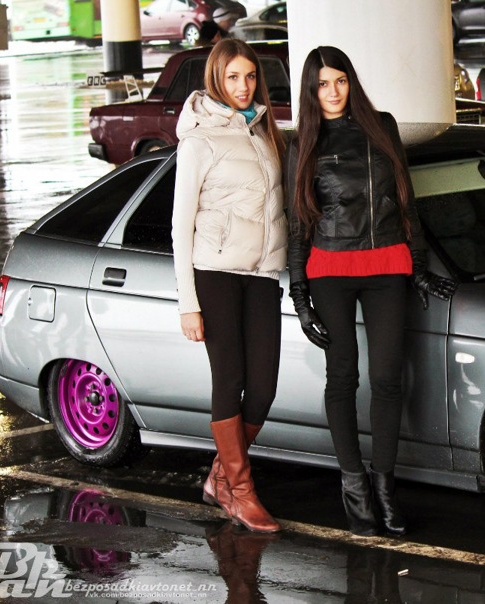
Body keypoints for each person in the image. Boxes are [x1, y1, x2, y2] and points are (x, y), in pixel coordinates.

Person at [285, 46, 456, 537]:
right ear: (311, 90)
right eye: (323, 84)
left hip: (387, 265)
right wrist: (300, 297)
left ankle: (385, 489)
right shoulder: (303, 143)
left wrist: (417, 267)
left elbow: (406, 199)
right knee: (342, 376)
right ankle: (354, 486)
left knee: (387, 379)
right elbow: (298, 222)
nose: (333, 91)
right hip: (330, 269)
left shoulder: (382, 126)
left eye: (340, 81)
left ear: (351, 82)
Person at [171, 38, 287, 533]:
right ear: (216, 79)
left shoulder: (264, 131)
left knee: (263, 388)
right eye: (233, 77)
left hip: (262, 273)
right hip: (214, 273)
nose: (243, 86)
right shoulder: (199, 140)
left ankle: (220, 476)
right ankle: (239, 492)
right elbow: (180, 224)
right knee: (230, 379)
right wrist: (188, 303)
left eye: (250, 76)